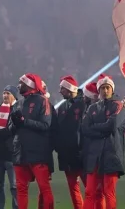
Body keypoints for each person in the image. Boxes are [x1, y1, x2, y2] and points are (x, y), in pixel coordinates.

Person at [9, 73, 53, 209]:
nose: (18, 85)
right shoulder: (19, 103)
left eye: (21, 83)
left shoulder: (42, 101)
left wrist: (24, 122)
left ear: (29, 85)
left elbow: (45, 125)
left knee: (44, 187)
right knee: (21, 189)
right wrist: (15, 123)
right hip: (19, 152)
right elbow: (12, 129)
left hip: (37, 151)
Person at [82, 74, 125, 209]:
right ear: (98, 90)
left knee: (109, 192)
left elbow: (112, 126)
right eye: (102, 88)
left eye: (108, 88)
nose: (105, 91)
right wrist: (103, 128)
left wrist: (95, 127)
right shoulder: (92, 108)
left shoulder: (118, 105)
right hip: (94, 155)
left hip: (111, 154)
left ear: (112, 89)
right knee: (90, 192)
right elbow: (85, 129)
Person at [54, 75, 87, 209]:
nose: (60, 91)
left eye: (62, 88)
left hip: (81, 154)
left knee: (90, 189)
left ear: (69, 89)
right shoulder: (62, 107)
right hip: (66, 155)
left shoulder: (84, 104)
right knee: (73, 188)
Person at [0, 85, 20, 209]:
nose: (5, 96)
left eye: (8, 93)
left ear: (14, 95)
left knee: (14, 187)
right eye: (4, 93)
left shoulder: (18, 110)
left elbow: (12, 130)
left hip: (12, 155)